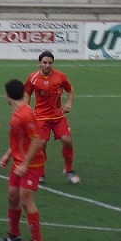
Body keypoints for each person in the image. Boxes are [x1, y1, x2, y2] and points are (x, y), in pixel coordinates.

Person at [0, 78, 48, 241]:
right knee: (12, 196)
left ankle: (38, 240)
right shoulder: (16, 112)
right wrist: (7, 154)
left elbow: (37, 141)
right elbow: (19, 139)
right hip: (19, 162)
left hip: (31, 164)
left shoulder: (26, 114)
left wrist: (25, 164)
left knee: (25, 199)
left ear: (7, 95)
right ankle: (14, 234)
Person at [24, 50, 79, 183]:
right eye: (45, 63)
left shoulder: (60, 76)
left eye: (50, 63)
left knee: (67, 140)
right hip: (41, 117)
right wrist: (26, 110)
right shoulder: (33, 78)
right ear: (40, 63)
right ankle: (41, 173)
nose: (47, 65)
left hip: (58, 116)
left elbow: (70, 90)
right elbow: (27, 93)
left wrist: (69, 103)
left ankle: (69, 170)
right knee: (41, 144)